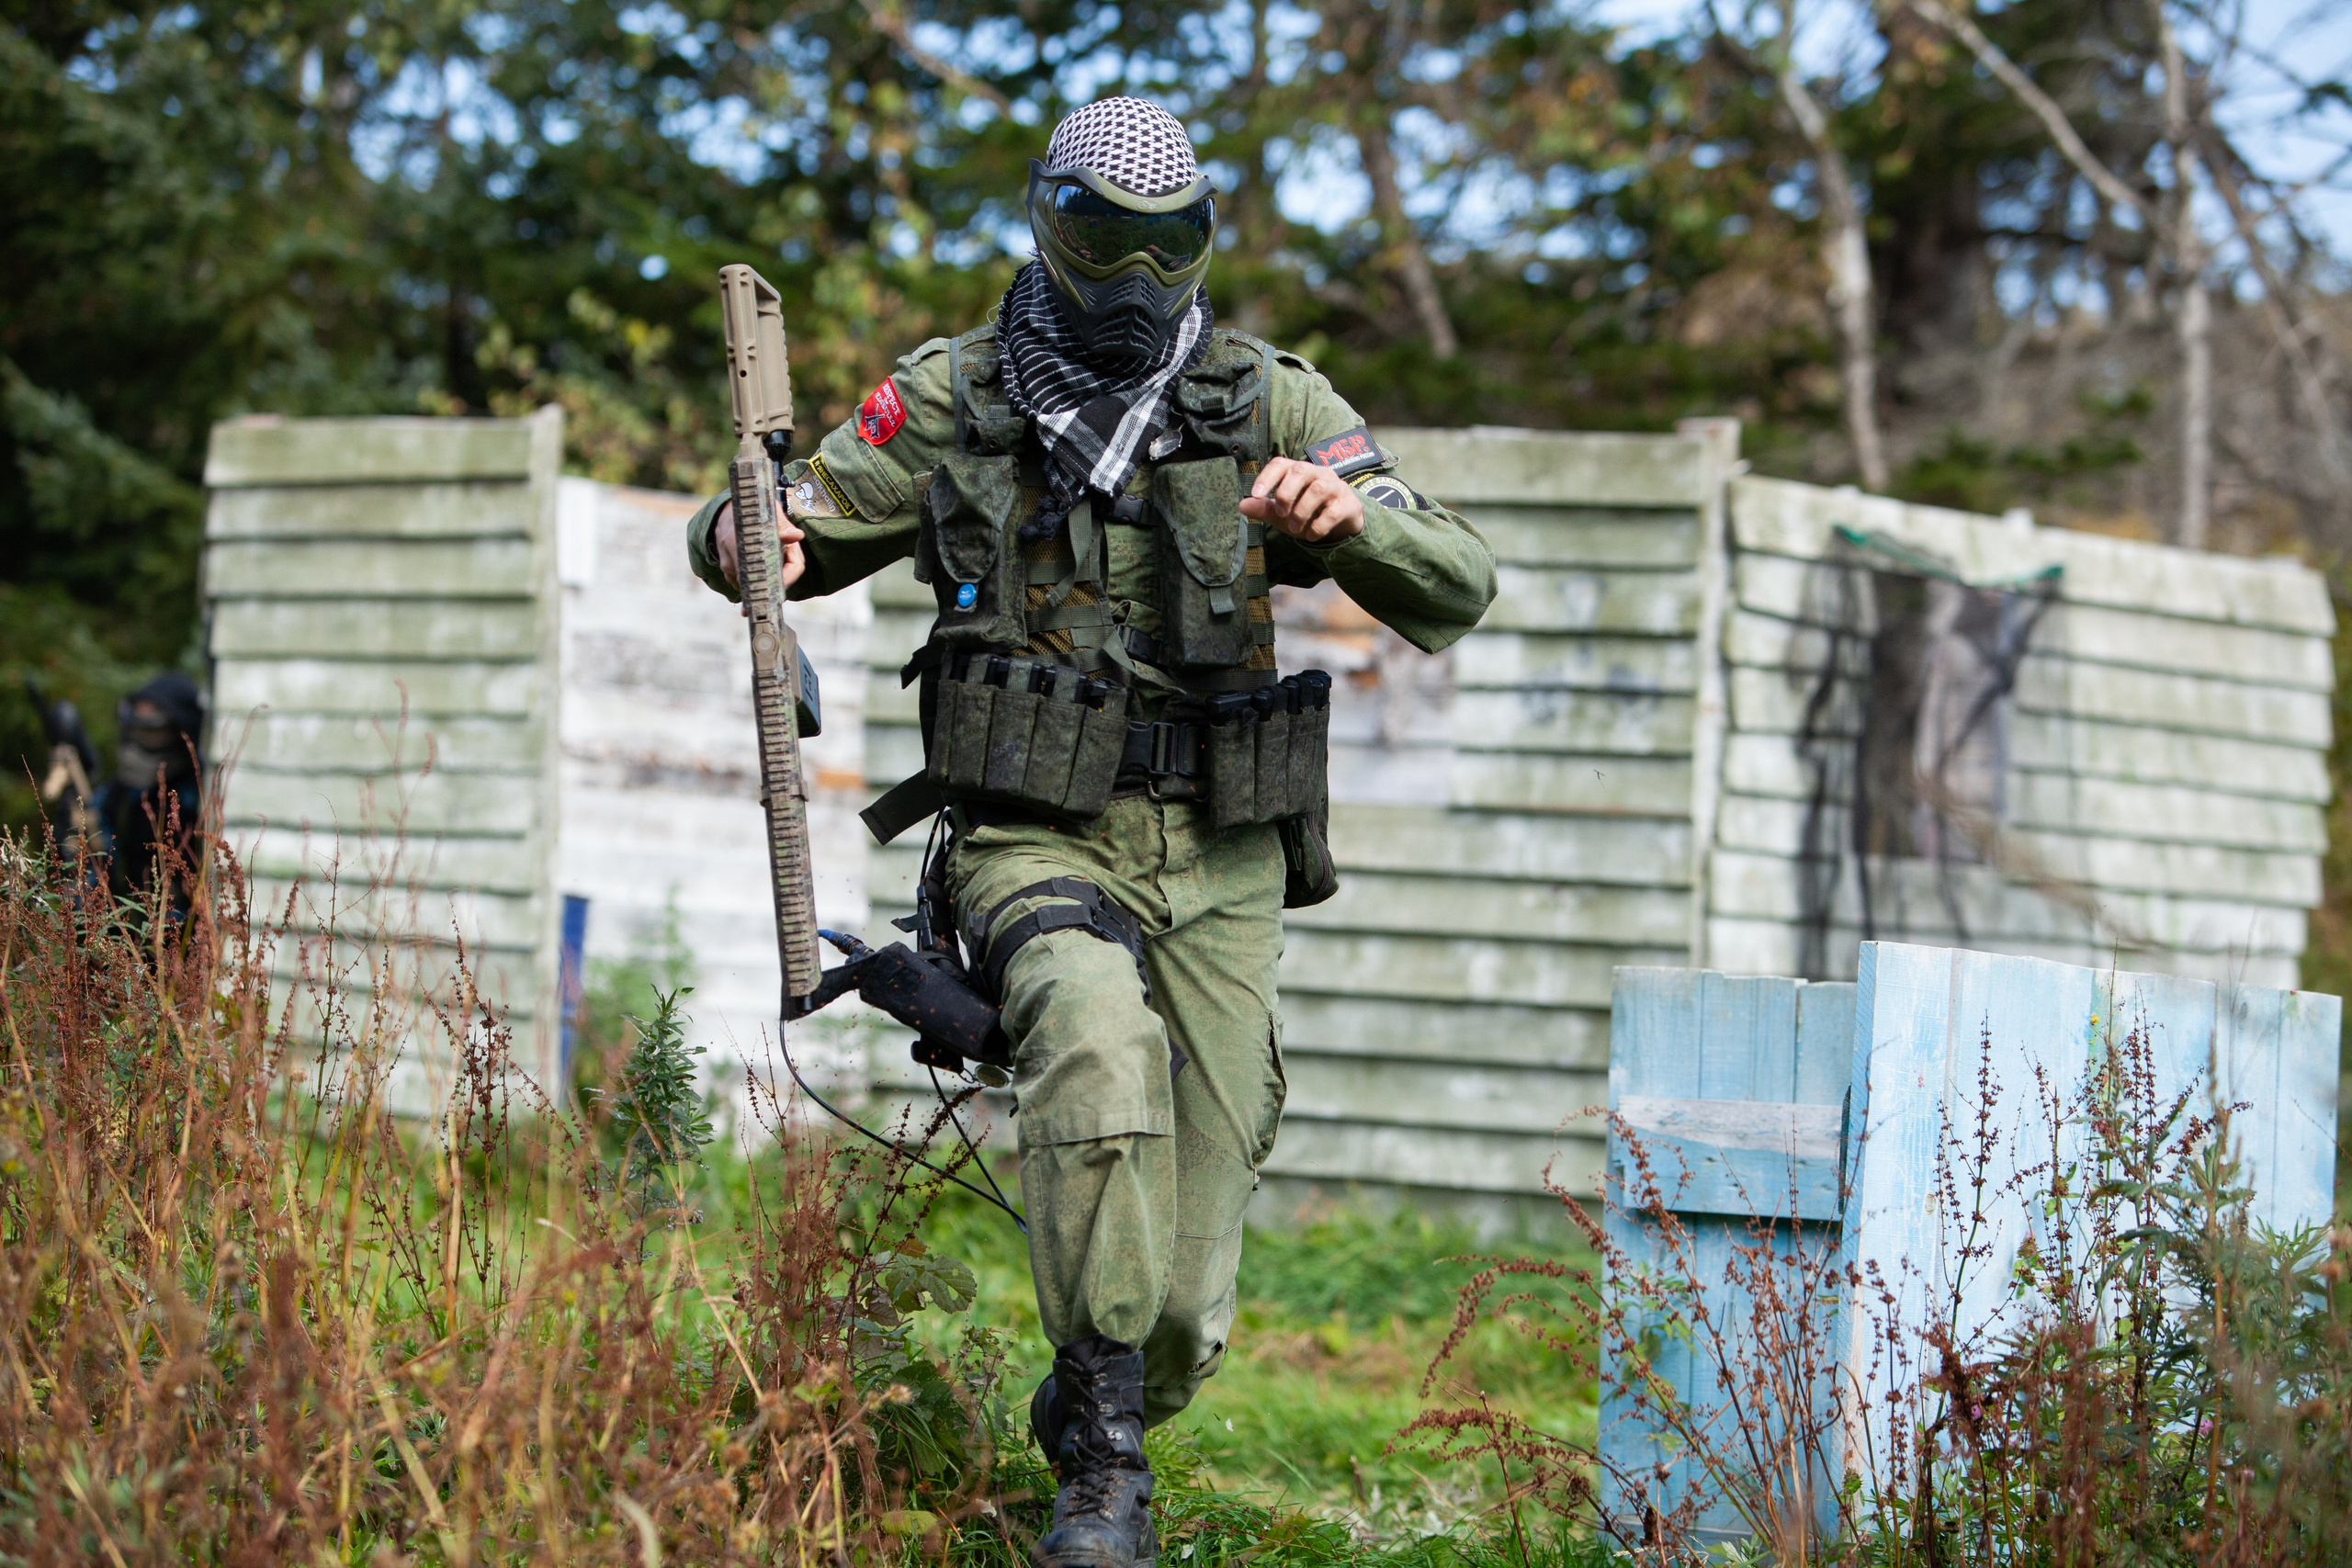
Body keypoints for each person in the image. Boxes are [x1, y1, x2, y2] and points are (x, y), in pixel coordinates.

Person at [684, 96, 1495, 1568]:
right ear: (1051, 224)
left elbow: (1458, 580)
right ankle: (1103, 1483)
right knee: (1092, 1034)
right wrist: (751, 536)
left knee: (1183, 1302)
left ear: (1202, 242)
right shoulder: (954, 397)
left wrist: (1351, 518)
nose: (1132, 278)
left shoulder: (1275, 402)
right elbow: (761, 522)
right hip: (1031, 832)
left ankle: (1103, 1389)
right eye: (1104, 240)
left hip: (1224, 853)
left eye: (1166, 243)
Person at [89, 671, 207, 917]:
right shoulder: (120, 794)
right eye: (133, 731)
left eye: (150, 734)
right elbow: (94, 858)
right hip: (124, 933)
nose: (136, 746)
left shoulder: (202, 800)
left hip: (184, 940)